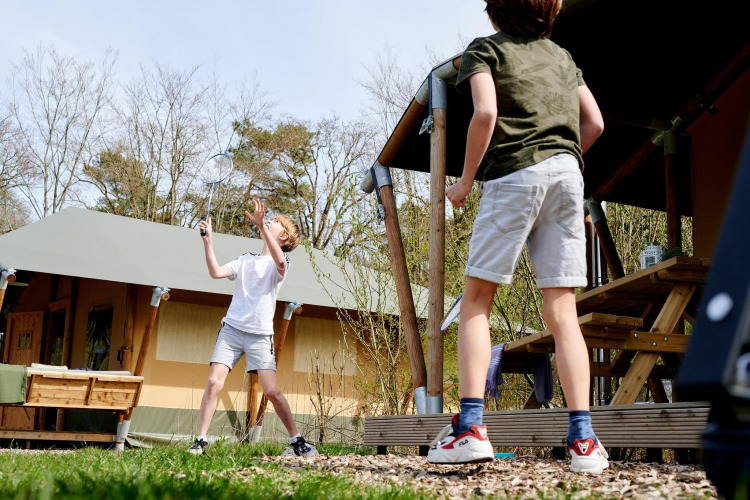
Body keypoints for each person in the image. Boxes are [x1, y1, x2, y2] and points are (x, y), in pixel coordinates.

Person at [428, 0, 608, 473]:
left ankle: (469, 429)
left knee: (476, 300)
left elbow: (485, 113)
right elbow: (595, 122)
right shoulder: (563, 57)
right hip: (569, 175)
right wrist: (561, 158)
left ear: (495, 14)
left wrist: (464, 182)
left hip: (513, 174)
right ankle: (584, 443)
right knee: (562, 308)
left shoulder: (485, 49)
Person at [189, 199, 317, 457]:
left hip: (260, 337)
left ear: (283, 237)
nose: (269, 221)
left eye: (275, 223)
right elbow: (215, 272)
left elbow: (279, 261)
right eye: (268, 220)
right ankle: (200, 441)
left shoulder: (281, 263)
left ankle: (297, 440)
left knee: (272, 391)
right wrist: (208, 241)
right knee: (214, 382)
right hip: (232, 331)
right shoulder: (245, 260)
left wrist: (261, 225)